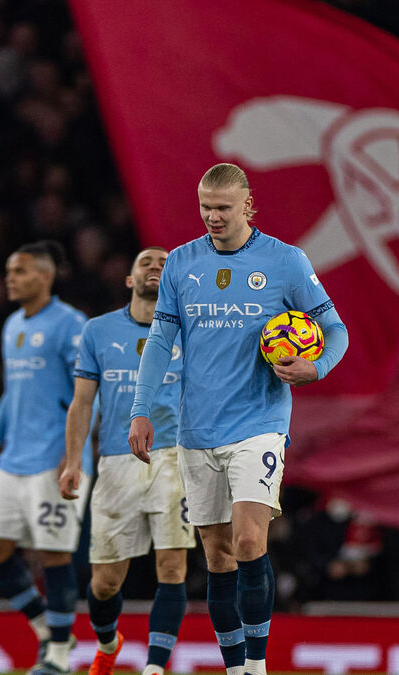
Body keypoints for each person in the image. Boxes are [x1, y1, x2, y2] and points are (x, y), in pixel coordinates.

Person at [128, 163, 350, 675]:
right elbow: (161, 342)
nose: (213, 217)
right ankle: (234, 668)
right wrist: (142, 410)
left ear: (248, 205)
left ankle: (256, 665)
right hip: (195, 428)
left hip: (259, 422)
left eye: (223, 208)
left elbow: (334, 329)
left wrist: (315, 367)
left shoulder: (286, 262)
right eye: (205, 207)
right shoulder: (182, 263)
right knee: (218, 557)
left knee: (250, 540)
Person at [59, 247, 193, 675]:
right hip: (116, 462)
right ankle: (107, 640)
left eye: (163, 264)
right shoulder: (98, 332)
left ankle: (154, 668)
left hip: (174, 458)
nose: (155, 267)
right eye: (145, 264)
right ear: (129, 280)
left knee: (172, 566)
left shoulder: (192, 333)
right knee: (104, 583)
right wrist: (72, 462)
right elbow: (82, 404)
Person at [0, 240, 92, 675]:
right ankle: (47, 628)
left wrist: (73, 453)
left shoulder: (71, 325)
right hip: (14, 458)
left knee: (53, 554)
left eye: (19, 272)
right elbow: (12, 395)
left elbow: (89, 392)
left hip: (55, 459)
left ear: (44, 276)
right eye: (9, 272)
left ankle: (58, 656)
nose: (10, 279)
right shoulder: (11, 326)